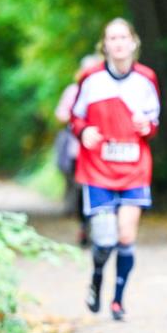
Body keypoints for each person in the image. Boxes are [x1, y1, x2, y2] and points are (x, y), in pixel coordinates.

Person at [69, 19, 159, 321]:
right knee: (105, 237)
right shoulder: (91, 78)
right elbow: (75, 117)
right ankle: (96, 276)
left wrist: (146, 127)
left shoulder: (147, 79)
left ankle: (118, 301)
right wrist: (83, 132)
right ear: (104, 45)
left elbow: (153, 122)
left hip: (134, 168)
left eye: (123, 37)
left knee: (125, 236)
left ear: (133, 42)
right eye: (112, 38)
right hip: (97, 169)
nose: (118, 43)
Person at [56, 55, 104, 246]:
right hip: (78, 150)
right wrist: (78, 121)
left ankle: (102, 227)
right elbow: (60, 115)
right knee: (82, 190)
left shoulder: (108, 90)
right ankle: (85, 227)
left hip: (104, 151)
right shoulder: (73, 91)